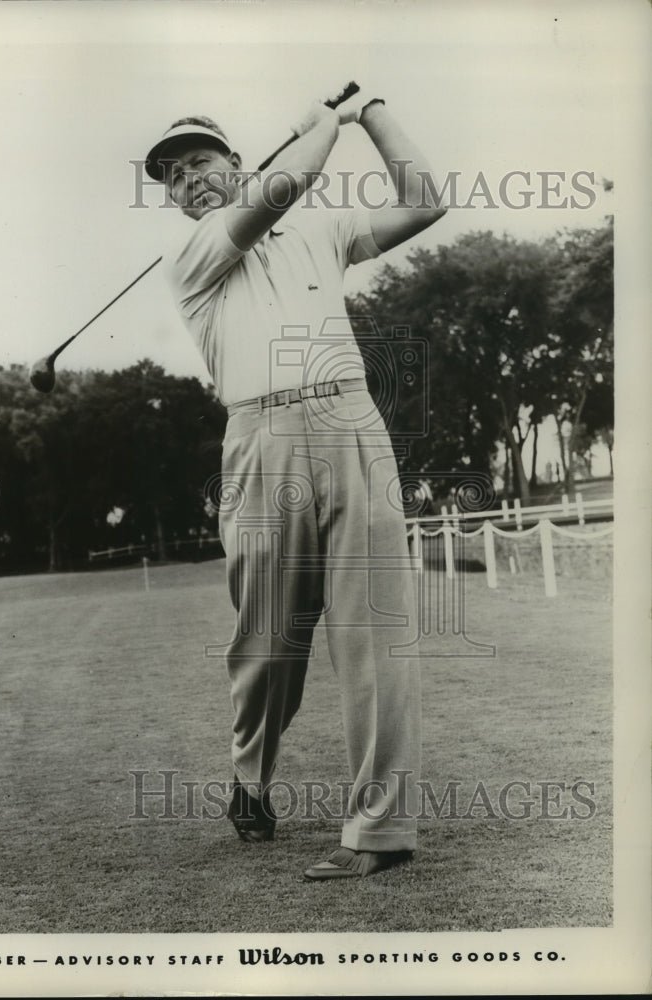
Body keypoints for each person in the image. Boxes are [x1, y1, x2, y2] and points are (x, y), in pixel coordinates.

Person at [144, 89, 447, 879]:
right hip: (260, 440)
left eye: (199, 161)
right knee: (270, 642)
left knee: (374, 632)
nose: (189, 181)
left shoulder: (320, 228)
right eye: (171, 177)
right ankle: (251, 776)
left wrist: (373, 111)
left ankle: (377, 833)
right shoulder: (198, 253)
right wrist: (321, 126)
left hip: (350, 422)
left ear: (235, 160)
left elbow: (426, 203)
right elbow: (284, 188)